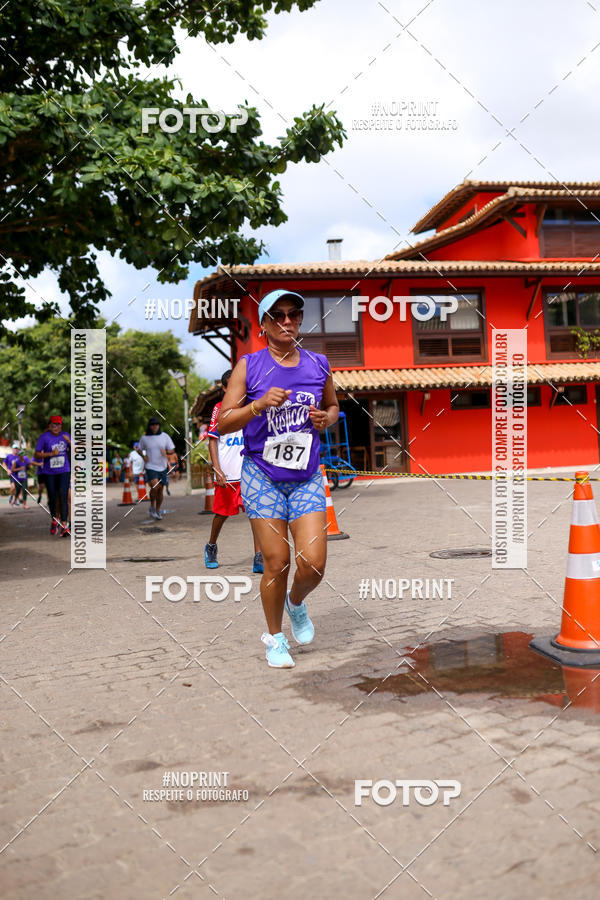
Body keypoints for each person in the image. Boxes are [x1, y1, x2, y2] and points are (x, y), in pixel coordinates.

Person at [218, 289, 339, 669]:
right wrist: (257, 405)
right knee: (277, 561)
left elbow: (333, 405)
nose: (288, 321)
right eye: (279, 315)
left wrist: (327, 419)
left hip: (305, 477)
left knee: (314, 565)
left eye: (294, 314)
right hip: (262, 476)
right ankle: (274, 638)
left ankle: (296, 602)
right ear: (264, 325)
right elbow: (223, 422)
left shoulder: (318, 364)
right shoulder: (248, 366)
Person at [205, 369, 263, 574]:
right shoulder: (218, 409)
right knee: (222, 514)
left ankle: (259, 557)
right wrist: (217, 468)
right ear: (224, 388)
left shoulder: (251, 407)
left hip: (248, 472)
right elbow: (212, 440)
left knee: (255, 514)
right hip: (227, 473)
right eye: (233, 385)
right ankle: (211, 545)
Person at [34, 414, 71, 536]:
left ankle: (65, 525)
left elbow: (77, 450)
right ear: (49, 425)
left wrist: (69, 442)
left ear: (61, 425)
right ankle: (55, 520)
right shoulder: (44, 437)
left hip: (64, 470)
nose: (56, 426)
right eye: (53, 424)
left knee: (63, 495)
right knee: (53, 498)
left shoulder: (65, 436)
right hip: (49, 472)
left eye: (58, 424)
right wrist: (50, 454)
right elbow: (37, 455)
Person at [138, 417, 175, 520]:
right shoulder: (144, 438)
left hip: (162, 467)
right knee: (155, 486)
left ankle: (157, 510)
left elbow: (172, 450)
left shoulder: (164, 436)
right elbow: (139, 449)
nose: (154, 426)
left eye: (156, 424)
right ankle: (152, 506)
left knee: (160, 490)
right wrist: (143, 456)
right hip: (150, 466)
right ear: (149, 426)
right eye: (152, 424)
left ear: (159, 426)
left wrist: (166, 453)